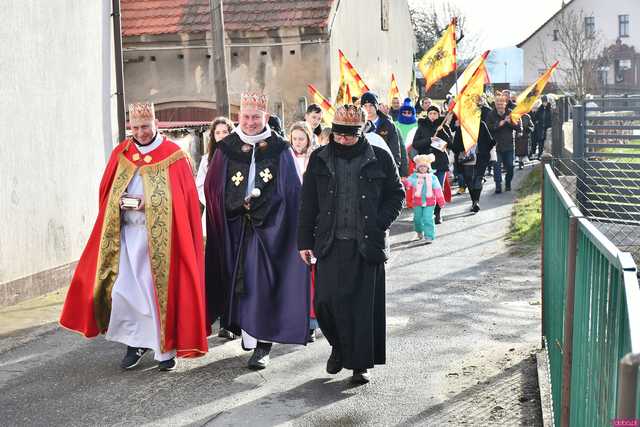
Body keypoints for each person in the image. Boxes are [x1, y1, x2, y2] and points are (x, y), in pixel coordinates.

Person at [60, 102, 208, 371]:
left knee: (154, 295)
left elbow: (185, 203)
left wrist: (148, 202)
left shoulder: (174, 156)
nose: (140, 132)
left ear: (155, 124)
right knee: (125, 292)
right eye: (135, 127)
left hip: (160, 242)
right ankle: (135, 343)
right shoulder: (122, 153)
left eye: (145, 127)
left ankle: (165, 352)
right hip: (126, 237)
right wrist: (119, 201)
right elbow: (107, 191)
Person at [297, 105, 405, 384]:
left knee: (361, 308)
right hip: (329, 243)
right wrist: (303, 241)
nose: (343, 140)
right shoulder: (319, 158)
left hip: (366, 244)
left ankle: (359, 364)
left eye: (349, 136)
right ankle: (338, 347)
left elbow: (397, 195)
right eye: (339, 135)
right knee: (325, 303)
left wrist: (379, 223)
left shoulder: (380, 157)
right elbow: (307, 203)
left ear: (360, 133)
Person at [204, 93, 309, 370]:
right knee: (242, 284)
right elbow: (212, 189)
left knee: (262, 283)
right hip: (236, 226)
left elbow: (292, 190)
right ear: (239, 118)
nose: (250, 123)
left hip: (269, 228)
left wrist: (266, 207)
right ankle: (246, 332)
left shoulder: (279, 148)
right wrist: (236, 204)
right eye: (246, 117)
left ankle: (263, 344)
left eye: (256, 117)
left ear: (265, 118)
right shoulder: (226, 147)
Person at [195, 117, 236, 340]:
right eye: (217, 132)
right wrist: (214, 199)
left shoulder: (239, 154)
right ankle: (217, 314)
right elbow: (201, 184)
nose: (221, 136)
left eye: (224, 132)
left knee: (233, 265)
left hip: (234, 217)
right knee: (216, 266)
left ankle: (232, 319)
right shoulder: (206, 159)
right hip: (213, 217)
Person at [287, 121, 319, 342]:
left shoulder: (315, 160)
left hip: (310, 219)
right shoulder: (286, 159)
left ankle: (311, 321)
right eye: (295, 138)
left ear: (308, 139)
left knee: (310, 273)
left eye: (301, 138)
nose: (298, 142)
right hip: (290, 219)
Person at [412, 105, 452, 224]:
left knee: (438, 188)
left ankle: (437, 214)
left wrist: (443, 132)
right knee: (427, 191)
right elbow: (416, 144)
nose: (433, 116)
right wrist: (429, 140)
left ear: (439, 115)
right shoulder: (422, 126)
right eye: (431, 114)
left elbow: (451, 144)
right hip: (426, 165)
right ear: (427, 114)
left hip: (441, 163)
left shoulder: (443, 126)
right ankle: (428, 214)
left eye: (435, 113)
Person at [450, 110, 496, 213]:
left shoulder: (481, 124)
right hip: (467, 157)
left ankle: (475, 202)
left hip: (481, 157)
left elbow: (489, 141)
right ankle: (475, 201)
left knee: (477, 179)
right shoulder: (462, 127)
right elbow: (456, 145)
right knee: (470, 179)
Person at [406, 154, 445, 243]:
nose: (423, 168)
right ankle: (419, 231)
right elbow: (408, 183)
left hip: (430, 202)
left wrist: (441, 200)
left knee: (428, 218)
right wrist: (405, 183)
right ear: (417, 168)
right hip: (417, 202)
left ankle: (429, 236)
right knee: (417, 219)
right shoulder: (414, 177)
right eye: (421, 166)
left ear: (428, 168)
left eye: (425, 166)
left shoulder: (433, 177)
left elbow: (438, 189)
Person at [361, 92, 402, 170]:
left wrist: (395, 167)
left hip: (384, 166)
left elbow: (395, 148)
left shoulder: (388, 124)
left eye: (371, 105)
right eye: (365, 106)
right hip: (364, 167)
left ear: (376, 106)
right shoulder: (358, 125)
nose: (368, 109)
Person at [486, 95, 516, 193]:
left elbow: (518, 127)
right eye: (497, 104)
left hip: (508, 145)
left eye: (501, 104)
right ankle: (498, 186)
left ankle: (507, 182)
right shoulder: (491, 114)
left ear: (505, 104)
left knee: (510, 167)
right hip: (496, 146)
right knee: (497, 167)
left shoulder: (510, 113)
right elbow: (488, 128)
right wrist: (499, 124)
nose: (499, 106)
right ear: (495, 104)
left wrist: (510, 122)